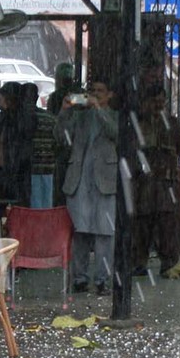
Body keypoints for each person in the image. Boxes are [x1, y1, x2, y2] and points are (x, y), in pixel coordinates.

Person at [58, 79, 118, 295]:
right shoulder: (80, 116)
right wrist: (65, 112)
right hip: (80, 180)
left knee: (105, 232)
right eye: (91, 91)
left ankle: (103, 280)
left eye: (100, 91)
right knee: (80, 232)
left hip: (105, 180)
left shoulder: (115, 115)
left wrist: (99, 109)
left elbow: (115, 133)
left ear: (109, 95)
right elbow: (61, 138)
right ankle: (80, 279)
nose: (94, 94)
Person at [132, 86, 180, 279]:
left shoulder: (173, 124)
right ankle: (139, 263)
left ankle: (169, 263)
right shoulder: (140, 123)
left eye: (160, 101)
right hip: (146, 180)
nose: (157, 105)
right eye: (153, 101)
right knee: (143, 222)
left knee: (168, 223)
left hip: (166, 180)